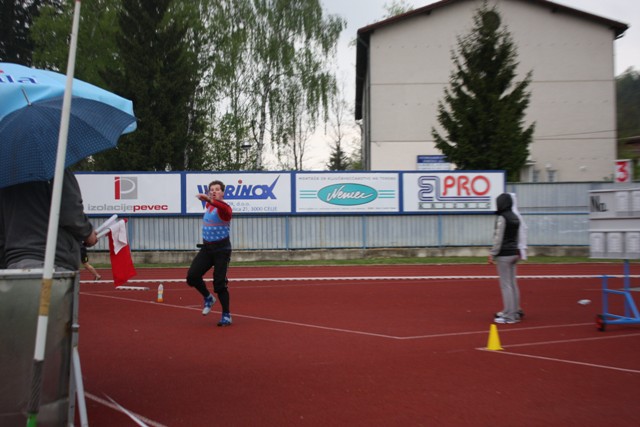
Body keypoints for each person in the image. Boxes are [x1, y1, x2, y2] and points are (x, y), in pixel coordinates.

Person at [0, 169, 98, 271]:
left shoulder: (5, 180)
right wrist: (87, 233)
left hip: (13, 263)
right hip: (54, 259)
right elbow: (70, 213)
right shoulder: (56, 167)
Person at [187, 180, 233, 327]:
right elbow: (212, 204)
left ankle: (226, 315)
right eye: (211, 190)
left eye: (217, 189)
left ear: (223, 193)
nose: (214, 191)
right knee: (192, 277)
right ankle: (208, 298)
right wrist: (209, 201)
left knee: (219, 284)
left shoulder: (225, 209)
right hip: (207, 249)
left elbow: (221, 206)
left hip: (221, 251)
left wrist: (209, 199)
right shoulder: (209, 206)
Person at [488, 192, 527, 324]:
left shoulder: (502, 218)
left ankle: (509, 316)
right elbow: (518, 236)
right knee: (512, 284)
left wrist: (492, 253)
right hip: (514, 252)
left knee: (505, 286)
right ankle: (513, 312)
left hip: (504, 254)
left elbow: (498, 238)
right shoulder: (516, 217)